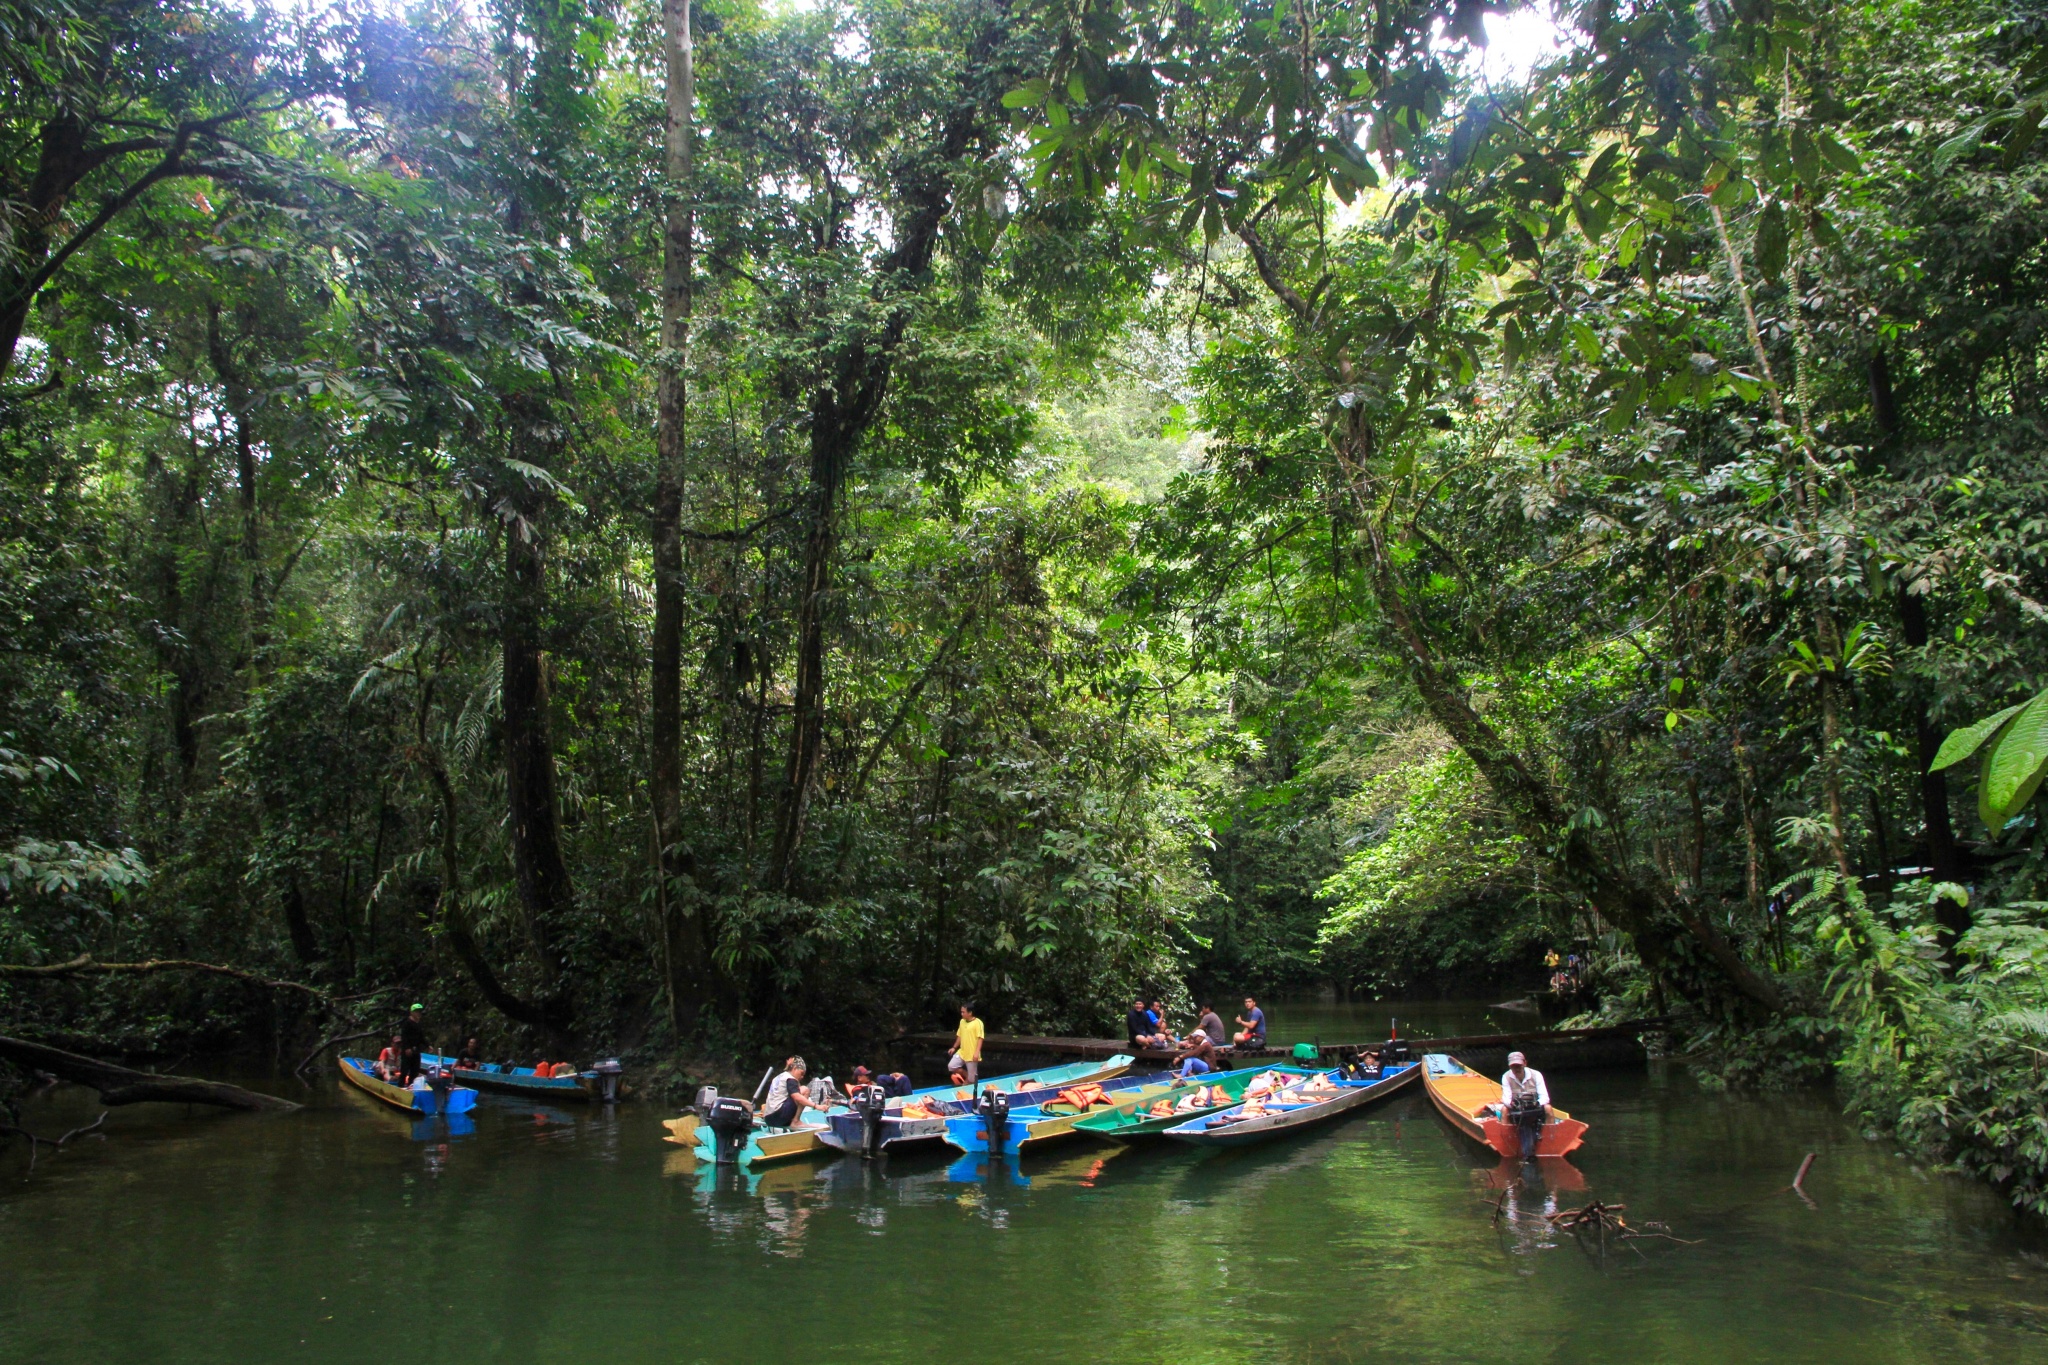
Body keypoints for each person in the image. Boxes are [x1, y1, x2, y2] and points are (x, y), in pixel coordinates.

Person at [1497, 1051, 1551, 1159]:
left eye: (1519, 1066)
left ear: (1525, 1063)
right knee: (1504, 1110)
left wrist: (1536, 1103)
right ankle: (1506, 1140)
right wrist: (1513, 1104)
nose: (1516, 1069)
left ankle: (1549, 1137)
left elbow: (1545, 1096)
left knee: (1548, 1108)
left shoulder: (1536, 1075)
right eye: (1513, 1066)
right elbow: (1506, 1098)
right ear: (1509, 1066)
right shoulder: (1506, 1077)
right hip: (1516, 1108)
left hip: (1535, 1107)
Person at [762, 1056, 827, 1128]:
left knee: (799, 1090)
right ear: (795, 1068)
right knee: (805, 1090)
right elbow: (797, 1097)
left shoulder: (778, 1077)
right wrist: (816, 1106)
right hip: (778, 1116)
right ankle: (796, 1121)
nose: (802, 1077)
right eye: (801, 1073)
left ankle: (791, 1121)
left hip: (768, 1119)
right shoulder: (790, 1079)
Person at [950, 1003, 985, 1086]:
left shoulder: (978, 1023)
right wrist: (954, 1047)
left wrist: (976, 1053)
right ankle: (966, 1075)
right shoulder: (962, 1021)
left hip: (972, 1053)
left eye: (963, 1012)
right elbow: (959, 1035)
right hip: (962, 1052)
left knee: (972, 1080)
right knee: (951, 1066)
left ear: (970, 1013)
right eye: (961, 1012)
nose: (962, 1014)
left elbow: (980, 1038)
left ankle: (969, 1080)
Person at [398, 1003, 427, 1084]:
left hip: (416, 1050)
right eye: (417, 1011)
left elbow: (421, 1036)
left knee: (415, 1071)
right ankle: (400, 1086)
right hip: (407, 1050)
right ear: (412, 1012)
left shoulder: (418, 1024)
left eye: (420, 1012)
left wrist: (428, 1045)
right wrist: (407, 1048)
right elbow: (404, 1036)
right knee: (404, 1070)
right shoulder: (407, 1023)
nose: (418, 1013)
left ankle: (411, 1086)